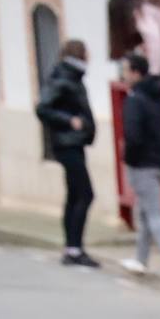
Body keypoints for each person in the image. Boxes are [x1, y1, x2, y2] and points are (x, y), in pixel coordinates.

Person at [36, 38, 99, 268]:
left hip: (74, 143)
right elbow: (43, 107)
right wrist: (69, 121)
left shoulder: (71, 76)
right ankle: (74, 248)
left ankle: (72, 247)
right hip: (67, 143)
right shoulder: (64, 77)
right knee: (85, 193)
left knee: (75, 194)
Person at [118, 54, 160, 277]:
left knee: (152, 212)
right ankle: (140, 259)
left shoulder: (134, 100)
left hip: (142, 162)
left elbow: (132, 135)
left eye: (125, 71)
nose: (123, 76)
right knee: (143, 212)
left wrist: (131, 159)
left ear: (136, 73)